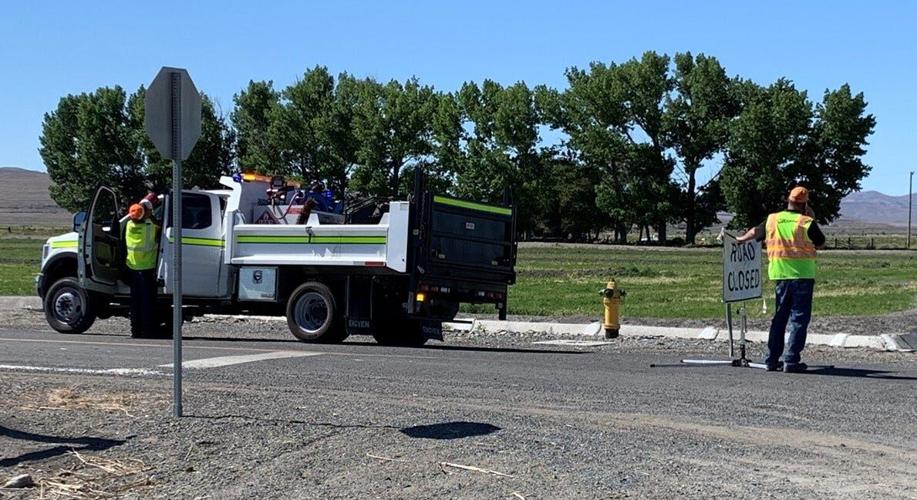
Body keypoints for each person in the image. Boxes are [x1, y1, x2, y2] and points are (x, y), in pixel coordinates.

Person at [737, 186, 826, 372]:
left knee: (779, 318)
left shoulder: (772, 219)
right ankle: (791, 360)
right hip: (803, 275)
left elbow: (755, 232)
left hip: (780, 275)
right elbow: (821, 242)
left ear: (788, 200)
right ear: (805, 204)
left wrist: (740, 239)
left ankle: (771, 359)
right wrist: (812, 217)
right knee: (799, 319)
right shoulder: (806, 222)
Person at [125, 202, 159, 338]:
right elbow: (159, 226)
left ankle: (135, 331)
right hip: (146, 270)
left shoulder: (128, 226)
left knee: (135, 303)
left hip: (132, 268)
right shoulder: (149, 227)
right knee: (147, 303)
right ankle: (148, 330)